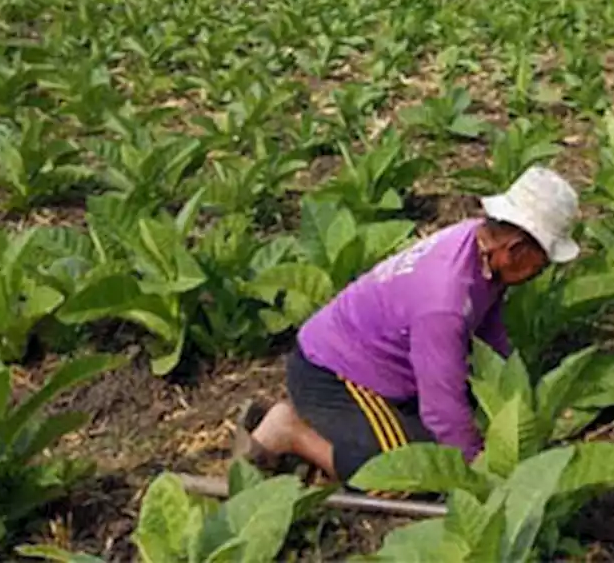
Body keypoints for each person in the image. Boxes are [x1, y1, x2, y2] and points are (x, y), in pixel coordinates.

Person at [232, 165, 581, 485]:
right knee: (405, 475)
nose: (543, 269)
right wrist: (477, 472)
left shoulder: (476, 245)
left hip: (379, 369)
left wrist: (517, 396)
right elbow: (441, 408)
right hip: (335, 376)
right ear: (518, 249)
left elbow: (490, 335)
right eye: (544, 259)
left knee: (450, 432)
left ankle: (332, 431)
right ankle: (290, 432)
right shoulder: (444, 301)